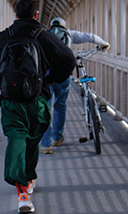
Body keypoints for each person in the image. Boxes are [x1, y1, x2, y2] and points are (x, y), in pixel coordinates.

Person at [0, 0, 75, 214]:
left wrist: (0, 77)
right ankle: (25, 185)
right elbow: (68, 60)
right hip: (37, 99)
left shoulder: (5, 37)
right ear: (36, 15)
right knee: (31, 141)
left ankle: (23, 186)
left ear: (16, 15)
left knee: (16, 137)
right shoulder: (44, 37)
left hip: (11, 101)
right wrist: (48, 81)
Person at [40, 17, 109, 153]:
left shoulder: (45, 35)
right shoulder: (70, 34)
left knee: (45, 107)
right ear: (64, 27)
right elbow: (90, 37)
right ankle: (57, 138)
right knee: (60, 106)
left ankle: (46, 144)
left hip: (47, 75)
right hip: (63, 74)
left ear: (50, 26)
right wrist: (102, 43)